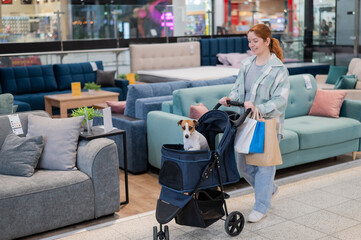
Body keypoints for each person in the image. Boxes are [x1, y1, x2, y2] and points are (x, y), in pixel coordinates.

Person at [218, 23, 290, 223]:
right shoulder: (247, 64)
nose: (251, 45)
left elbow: (281, 101)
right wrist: (230, 98)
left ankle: (261, 206)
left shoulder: (278, 70)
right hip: (246, 122)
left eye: (255, 41)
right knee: (244, 167)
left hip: (267, 124)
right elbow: (238, 89)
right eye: (249, 41)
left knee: (265, 167)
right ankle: (270, 189)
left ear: (267, 41)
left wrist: (259, 107)